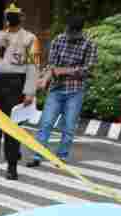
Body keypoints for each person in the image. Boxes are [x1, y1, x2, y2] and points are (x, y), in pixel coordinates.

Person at [0, 3, 39, 181]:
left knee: (13, 127)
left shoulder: (31, 38)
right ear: (5, 18)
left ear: (22, 18)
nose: (11, 18)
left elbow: (34, 65)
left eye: (15, 15)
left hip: (15, 84)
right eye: (9, 15)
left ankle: (12, 166)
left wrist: (29, 91)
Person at [28, 16, 97, 167]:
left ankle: (62, 156)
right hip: (56, 89)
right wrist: (44, 78)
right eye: (68, 31)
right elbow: (51, 64)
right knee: (46, 123)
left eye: (73, 32)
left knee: (69, 126)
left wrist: (65, 71)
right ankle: (38, 155)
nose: (69, 35)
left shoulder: (89, 44)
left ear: (80, 31)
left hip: (75, 90)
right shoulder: (58, 40)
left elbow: (89, 69)